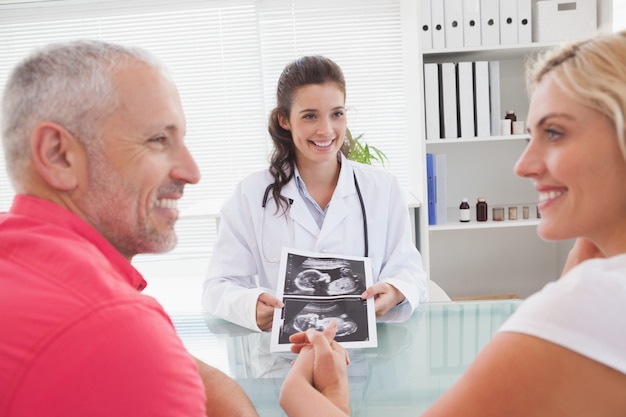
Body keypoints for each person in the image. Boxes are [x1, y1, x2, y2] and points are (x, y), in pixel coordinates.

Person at [279, 30, 626, 416]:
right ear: (285, 122)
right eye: (531, 135)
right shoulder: (593, 287)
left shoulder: (585, 302)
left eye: (555, 133)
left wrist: (309, 393)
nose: (522, 164)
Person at [0, 40, 258, 417]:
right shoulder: (110, 330)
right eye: (158, 140)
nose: (192, 172)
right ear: (58, 154)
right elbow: (117, 341)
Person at [201, 55, 429, 332]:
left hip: (365, 361)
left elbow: (410, 271)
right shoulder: (251, 195)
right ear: (284, 120)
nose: (326, 130)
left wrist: (395, 290)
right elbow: (217, 287)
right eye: (310, 116)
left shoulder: (383, 189)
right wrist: (250, 304)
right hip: (283, 362)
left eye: (337, 114)